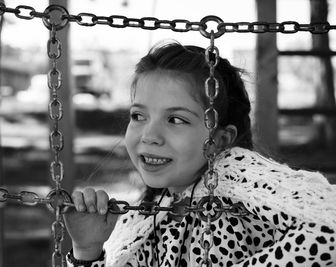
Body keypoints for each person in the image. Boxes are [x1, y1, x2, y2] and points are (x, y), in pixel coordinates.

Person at [64, 41, 336, 267]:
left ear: (220, 140)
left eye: (176, 120)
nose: (149, 135)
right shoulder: (144, 221)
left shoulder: (243, 186)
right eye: (138, 115)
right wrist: (87, 251)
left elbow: (330, 231)